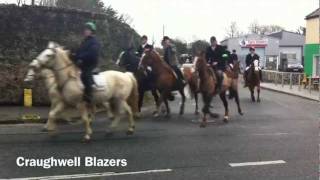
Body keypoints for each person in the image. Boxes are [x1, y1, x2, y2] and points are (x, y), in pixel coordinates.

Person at [74, 22, 100, 103]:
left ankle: (89, 94)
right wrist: (73, 54)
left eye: (87, 30)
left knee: (85, 75)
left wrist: (81, 57)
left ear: (92, 31)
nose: (85, 31)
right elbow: (79, 51)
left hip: (90, 63)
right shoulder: (84, 41)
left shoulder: (94, 42)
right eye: (85, 29)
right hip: (82, 63)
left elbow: (92, 54)